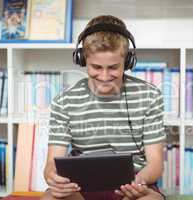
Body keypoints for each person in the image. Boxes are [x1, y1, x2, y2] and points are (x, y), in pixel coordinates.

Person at [41, 15, 166, 200]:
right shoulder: (63, 102)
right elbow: (51, 164)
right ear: (83, 59)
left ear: (128, 61)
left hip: (135, 186)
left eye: (114, 67)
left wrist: (138, 182)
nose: (105, 76)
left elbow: (156, 164)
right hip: (80, 188)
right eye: (96, 67)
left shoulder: (150, 96)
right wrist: (53, 178)